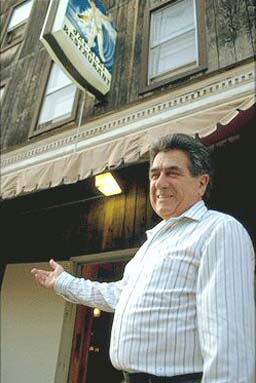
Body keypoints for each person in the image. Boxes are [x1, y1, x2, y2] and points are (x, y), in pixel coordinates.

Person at [31, 133, 255, 383]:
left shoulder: (219, 230)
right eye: (154, 174)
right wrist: (63, 282)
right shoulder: (153, 242)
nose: (160, 183)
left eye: (173, 172)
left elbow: (229, 336)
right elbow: (118, 295)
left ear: (201, 183)